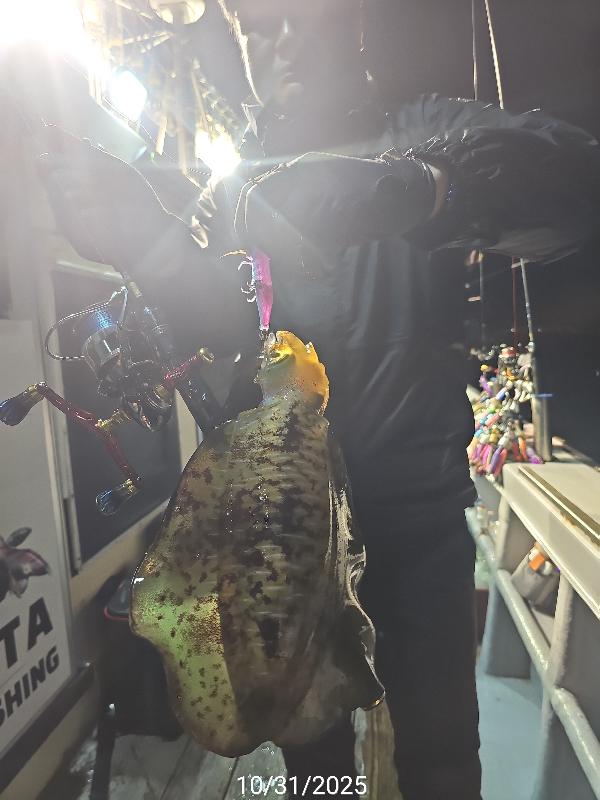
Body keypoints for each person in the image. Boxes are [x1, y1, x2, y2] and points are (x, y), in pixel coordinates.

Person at [36, 0, 600, 797]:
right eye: (258, 22)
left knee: (442, 759)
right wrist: (150, 245)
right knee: (311, 767)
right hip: (281, 537)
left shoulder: (421, 126)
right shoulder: (240, 179)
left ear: (352, 24)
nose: (282, 33)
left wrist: (420, 187)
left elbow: (581, 180)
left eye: (306, 13)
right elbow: (224, 327)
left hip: (417, 528)